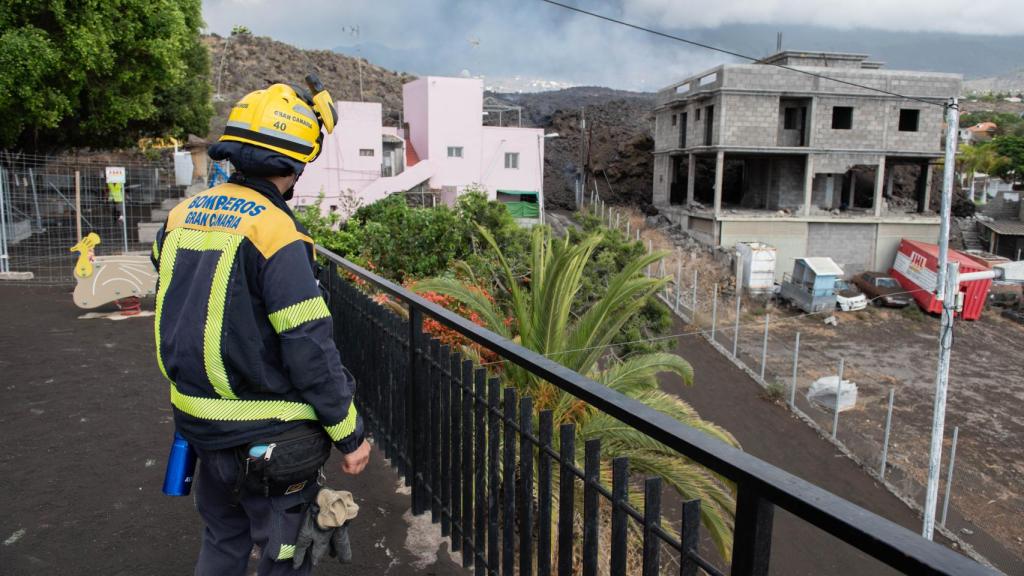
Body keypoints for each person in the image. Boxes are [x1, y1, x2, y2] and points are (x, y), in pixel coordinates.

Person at [151, 76, 370, 575]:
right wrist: (350, 434)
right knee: (283, 552)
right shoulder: (276, 232)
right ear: (294, 165)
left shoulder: (181, 215)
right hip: (271, 439)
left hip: (198, 424)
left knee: (223, 539)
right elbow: (309, 347)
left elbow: (180, 287)